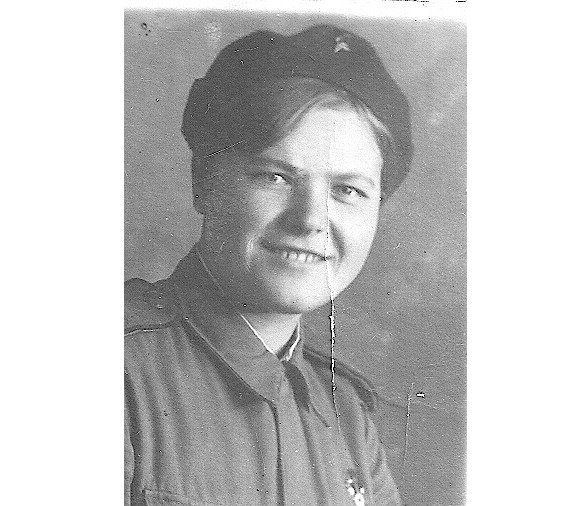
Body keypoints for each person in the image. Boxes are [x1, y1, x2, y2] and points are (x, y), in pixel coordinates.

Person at [125, 24, 413, 505]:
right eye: (276, 177)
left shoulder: (348, 417)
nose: (310, 220)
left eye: (348, 190)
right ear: (205, 183)